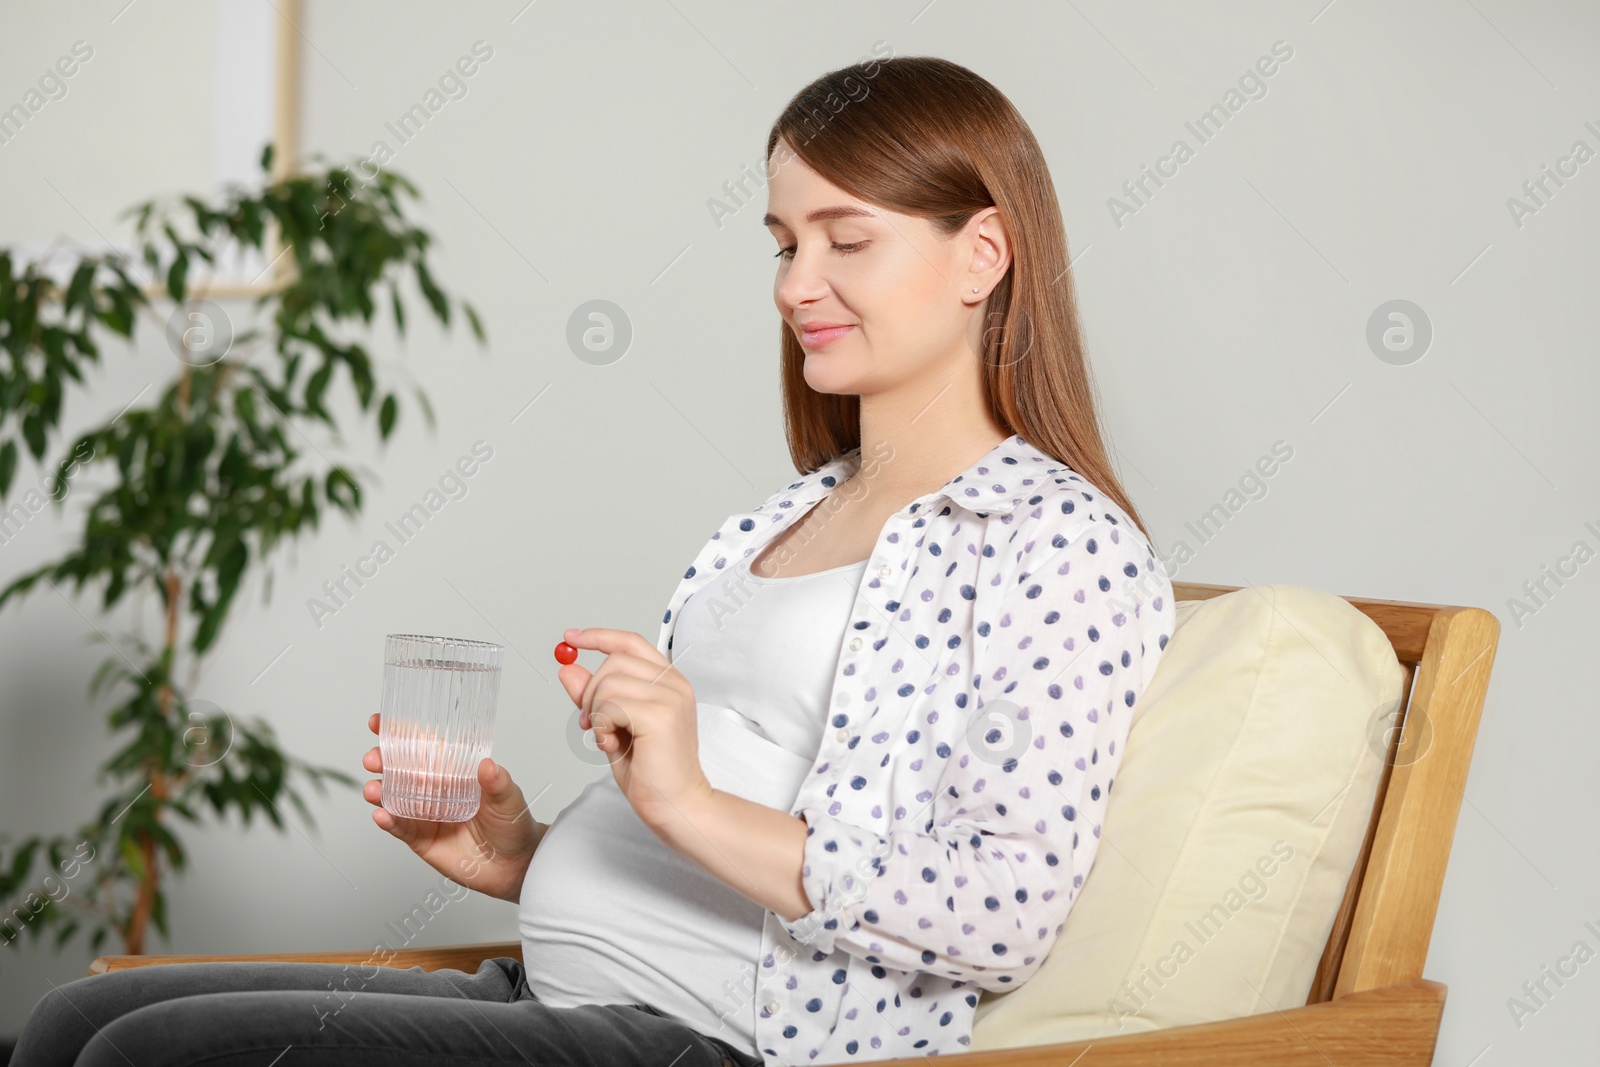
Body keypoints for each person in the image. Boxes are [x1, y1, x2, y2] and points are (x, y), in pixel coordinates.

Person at [12, 54, 1173, 1067]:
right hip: (551, 988)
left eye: (845, 239)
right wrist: (525, 853)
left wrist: (683, 801)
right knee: (72, 1018)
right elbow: (708, 803)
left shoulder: (1057, 546)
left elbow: (1000, 907)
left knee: (145, 1055)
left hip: (707, 1032)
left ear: (982, 254)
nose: (792, 285)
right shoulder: (784, 516)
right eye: (781, 242)